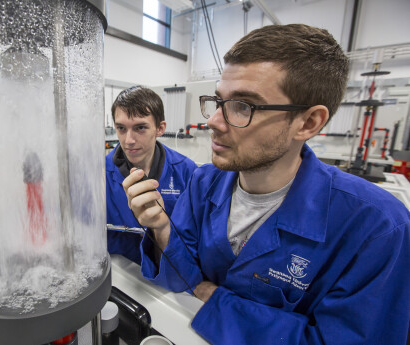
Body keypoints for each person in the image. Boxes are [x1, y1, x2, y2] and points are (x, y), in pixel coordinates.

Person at [122, 24, 410, 344]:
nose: (214, 121)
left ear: (308, 122)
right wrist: (161, 227)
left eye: (243, 106)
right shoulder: (204, 183)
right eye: (218, 101)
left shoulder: (377, 227)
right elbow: (181, 276)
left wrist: (215, 299)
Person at [106, 86, 198, 264]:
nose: (129, 140)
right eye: (121, 128)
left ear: (160, 128)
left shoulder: (187, 171)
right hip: (120, 278)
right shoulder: (99, 174)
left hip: (172, 277)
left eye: (140, 128)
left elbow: (195, 240)